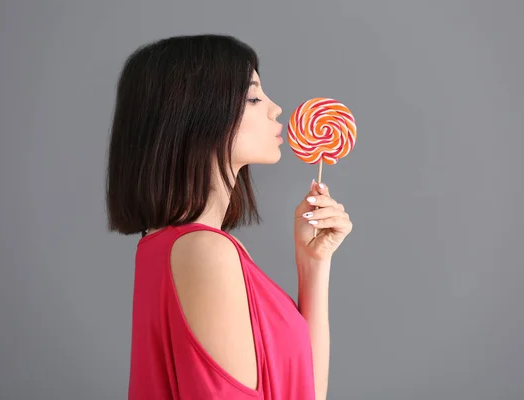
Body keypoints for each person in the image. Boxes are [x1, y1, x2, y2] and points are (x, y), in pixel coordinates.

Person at [106, 34, 352, 399]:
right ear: (196, 114)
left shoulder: (180, 246)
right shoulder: (204, 251)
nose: (275, 108)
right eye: (253, 97)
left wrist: (313, 263)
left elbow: (305, 391)